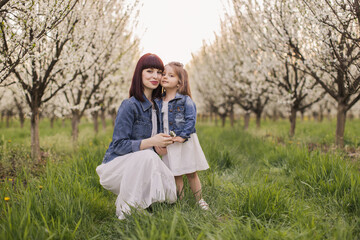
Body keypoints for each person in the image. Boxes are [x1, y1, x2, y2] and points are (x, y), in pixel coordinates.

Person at [96, 53, 177, 220]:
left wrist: (159, 146)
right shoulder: (130, 105)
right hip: (116, 166)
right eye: (149, 71)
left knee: (170, 192)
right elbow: (119, 145)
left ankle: (144, 206)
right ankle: (127, 212)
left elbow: (154, 147)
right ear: (139, 74)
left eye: (159, 72)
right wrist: (151, 142)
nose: (155, 76)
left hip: (143, 163)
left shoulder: (158, 106)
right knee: (147, 156)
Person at [155, 62, 210, 210]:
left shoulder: (185, 100)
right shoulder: (158, 101)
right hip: (169, 144)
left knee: (191, 173)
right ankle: (180, 203)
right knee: (175, 174)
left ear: (180, 82)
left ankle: (200, 200)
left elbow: (191, 120)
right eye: (164, 74)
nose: (165, 77)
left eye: (171, 75)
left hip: (184, 143)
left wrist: (182, 136)